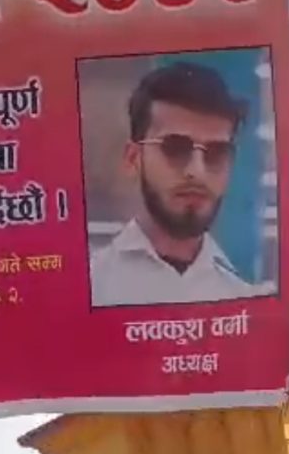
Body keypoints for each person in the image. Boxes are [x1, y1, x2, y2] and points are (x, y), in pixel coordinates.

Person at [90, 61, 257, 307]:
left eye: (217, 152)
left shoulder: (245, 300)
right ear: (133, 158)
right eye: (175, 148)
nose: (197, 171)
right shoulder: (92, 288)